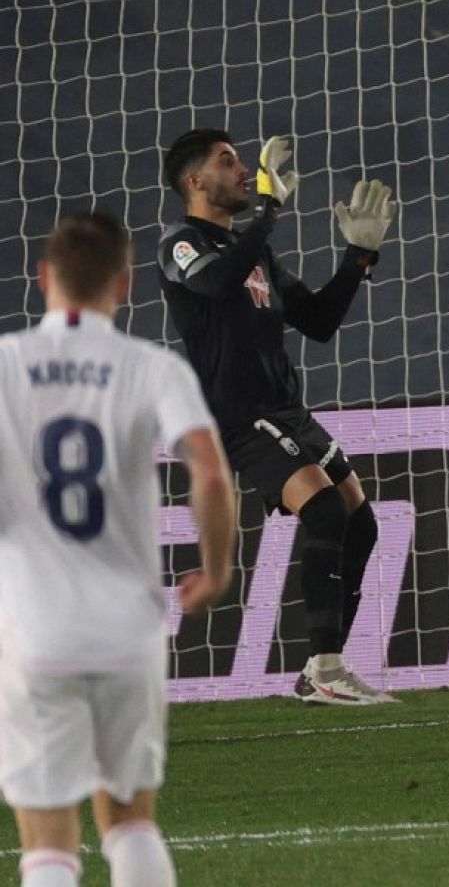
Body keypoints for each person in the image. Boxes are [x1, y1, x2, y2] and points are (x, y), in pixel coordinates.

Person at [0, 213, 237, 887]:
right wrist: (217, 568)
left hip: (33, 630)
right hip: (127, 631)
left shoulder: (6, 364)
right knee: (131, 822)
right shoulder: (152, 367)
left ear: (43, 278)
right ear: (125, 284)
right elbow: (212, 472)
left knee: (47, 841)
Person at [158, 129, 398, 704]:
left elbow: (317, 321)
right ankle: (325, 670)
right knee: (322, 509)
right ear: (195, 181)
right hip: (240, 417)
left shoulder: (256, 252)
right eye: (228, 161)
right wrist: (268, 213)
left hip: (287, 409)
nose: (242, 169)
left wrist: (357, 257)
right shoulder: (180, 243)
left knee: (359, 523)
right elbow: (215, 283)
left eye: (241, 160)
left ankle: (324, 669)